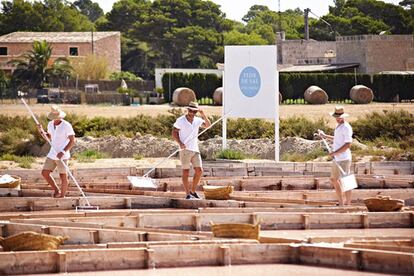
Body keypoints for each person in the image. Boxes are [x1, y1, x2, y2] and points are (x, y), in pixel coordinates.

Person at [172, 101, 211, 199]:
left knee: (199, 171)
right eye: (191, 111)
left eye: (195, 112)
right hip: (185, 149)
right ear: (188, 110)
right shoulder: (180, 120)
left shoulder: (197, 120)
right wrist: (180, 143)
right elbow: (174, 132)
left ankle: (193, 191)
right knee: (186, 171)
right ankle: (187, 194)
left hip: (195, 149)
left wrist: (203, 114)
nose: (192, 113)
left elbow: (208, 125)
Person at [37, 105, 75, 198]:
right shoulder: (50, 124)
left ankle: (62, 196)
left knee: (63, 176)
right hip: (52, 153)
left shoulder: (66, 125)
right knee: (45, 173)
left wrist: (62, 151)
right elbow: (48, 138)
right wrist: (41, 131)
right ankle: (56, 190)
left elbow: (72, 141)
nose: (56, 119)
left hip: (63, 155)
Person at [319, 106, 353, 206]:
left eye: (339, 117)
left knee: (346, 180)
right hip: (338, 158)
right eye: (336, 117)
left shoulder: (346, 127)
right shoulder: (339, 126)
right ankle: (342, 202)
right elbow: (337, 139)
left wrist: (335, 153)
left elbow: (348, 144)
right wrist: (325, 136)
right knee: (334, 179)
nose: (338, 119)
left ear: (343, 117)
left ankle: (347, 204)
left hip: (344, 158)